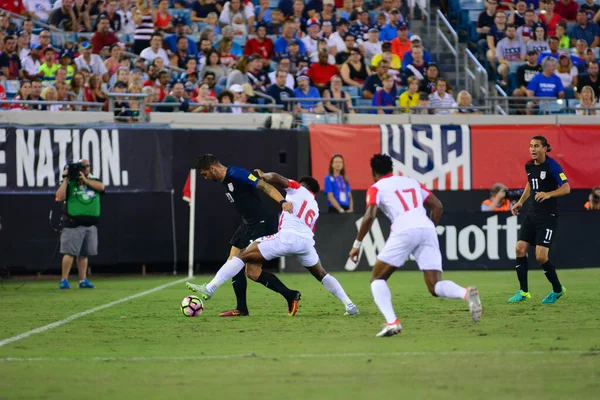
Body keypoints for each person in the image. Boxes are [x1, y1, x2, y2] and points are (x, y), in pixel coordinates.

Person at [186, 169, 359, 317]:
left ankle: (210, 288)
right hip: (306, 243)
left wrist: (265, 176)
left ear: (303, 184)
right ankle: (349, 305)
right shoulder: (314, 206)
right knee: (321, 273)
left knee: (241, 254)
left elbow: (278, 178)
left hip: (287, 238)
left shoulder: (297, 189)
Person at [348, 154, 482, 337]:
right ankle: (465, 292)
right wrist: (428, 230)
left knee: (377, 279)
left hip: (403, 229)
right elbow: (438, 206)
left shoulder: (375, 188)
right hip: (426, 228)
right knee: (435, 286)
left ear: (373, 172)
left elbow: (370, 215)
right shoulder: (411, 182)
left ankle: (392, 322)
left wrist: (357, 243)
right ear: (392, 169)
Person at [185, 154, 301, 317]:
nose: (205, 178)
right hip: (248, 224)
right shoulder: (225, 180)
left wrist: (282, 202)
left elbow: (265, 186)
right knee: (235, 263)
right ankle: (242, 308)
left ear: (212, 169)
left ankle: (290, 295)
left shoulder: (237, 174)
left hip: (262, 223)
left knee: (250, 270)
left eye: (205, 174)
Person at [509, 136, 570, 304]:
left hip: (548, 217)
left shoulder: (552, 166)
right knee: (520, 249)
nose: (533, 149)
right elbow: (530, 183)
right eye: (530, 146)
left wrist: (549, 194)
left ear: (545, 148)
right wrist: (521, 202)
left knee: (541, 257)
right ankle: (523, 292)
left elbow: (566, 188)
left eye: (536, 146)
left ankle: (557, 289)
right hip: (531, 214)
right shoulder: (529, 165)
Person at [55, 159, 106, 289]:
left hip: (90, 223)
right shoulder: (70, 182)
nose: (85, 168)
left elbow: (102, 188)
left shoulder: (94, 179)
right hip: (73, 223)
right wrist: (66, 179)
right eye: (82, 167)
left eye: (87, 166)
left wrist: (86, 181)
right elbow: (59, 197)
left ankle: (83, 280)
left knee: (84, 254)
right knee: (69, 252)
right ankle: (64, 280)